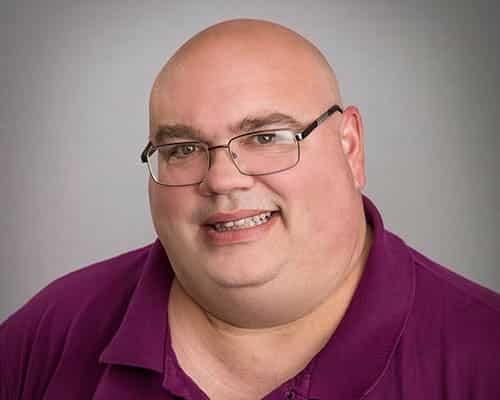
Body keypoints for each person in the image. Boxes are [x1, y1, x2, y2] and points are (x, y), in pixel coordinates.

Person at [1, 18, 499, 400]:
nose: (221, 179)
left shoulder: (484, 353)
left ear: (350, 147)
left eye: (265, 137)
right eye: (182, 149)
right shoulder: (51, 331)